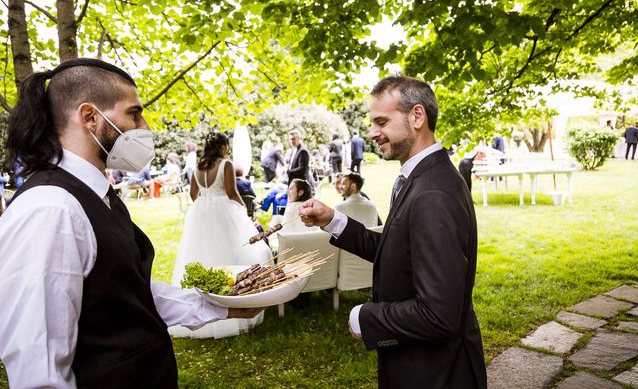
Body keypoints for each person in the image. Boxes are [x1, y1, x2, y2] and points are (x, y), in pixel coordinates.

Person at [0, 58, 261, 388]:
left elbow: (124, 291)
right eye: (134, 113)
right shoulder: (52, 211)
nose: (146, 127)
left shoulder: (96, 194)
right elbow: (39, 366)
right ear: (90, 118)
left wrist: (222, 307)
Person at [299, 75, 486, 388]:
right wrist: (333, 220)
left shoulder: (432, 194)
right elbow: (397, 252)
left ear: (416, 117)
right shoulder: (420, 177)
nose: (373, 133)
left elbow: (439, 313)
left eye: (381, 122)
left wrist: (365, 317)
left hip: (436, 372)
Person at [171, 131, 272, 339]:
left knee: (202, 254)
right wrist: (244, 210)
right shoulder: (226, 165)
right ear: (223, 147)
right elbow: (231, 192)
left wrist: (203, 206)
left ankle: (203, 309)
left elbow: (193, 194)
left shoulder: (198, 167)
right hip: (222, 211)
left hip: (201, 213)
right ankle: (232, 305)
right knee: (229, 254)